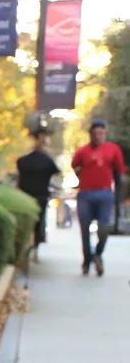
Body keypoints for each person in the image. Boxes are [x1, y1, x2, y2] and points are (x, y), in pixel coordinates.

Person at [71, 118, 125, 275]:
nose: (98, 136)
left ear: (105, 133)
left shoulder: (113, 149)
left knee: (103, 229)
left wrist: (118, 198)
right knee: (84, 230)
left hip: (104, 193)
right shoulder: (82, 151)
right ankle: (87, 260)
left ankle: (98, 254)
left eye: (101, 133)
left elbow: (119, 173)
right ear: (90, 134)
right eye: (95, 133)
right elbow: (75, 166)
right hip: (86, 194)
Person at [15, 130, 61, 254]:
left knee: (28, 222)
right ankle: (35, 245)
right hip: (41, 196)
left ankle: (29, 245)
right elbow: (57, 172)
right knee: (38, 222)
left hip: (26, 196)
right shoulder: (47, 161)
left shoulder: (23, 161)